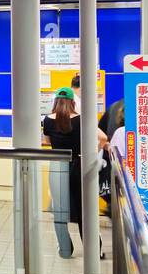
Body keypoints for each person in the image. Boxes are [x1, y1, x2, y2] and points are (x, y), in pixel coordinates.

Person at [42, 87, 107, 258]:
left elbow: (47, 141)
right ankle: (93, 249)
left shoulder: (47, 120)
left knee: (59, 209)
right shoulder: (81, 119)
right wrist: (93, 152)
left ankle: (64, 250)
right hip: (79, 166)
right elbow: (103, 138)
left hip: (57, 167)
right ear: (72, 102)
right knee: (84, 209)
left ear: (56, 101)